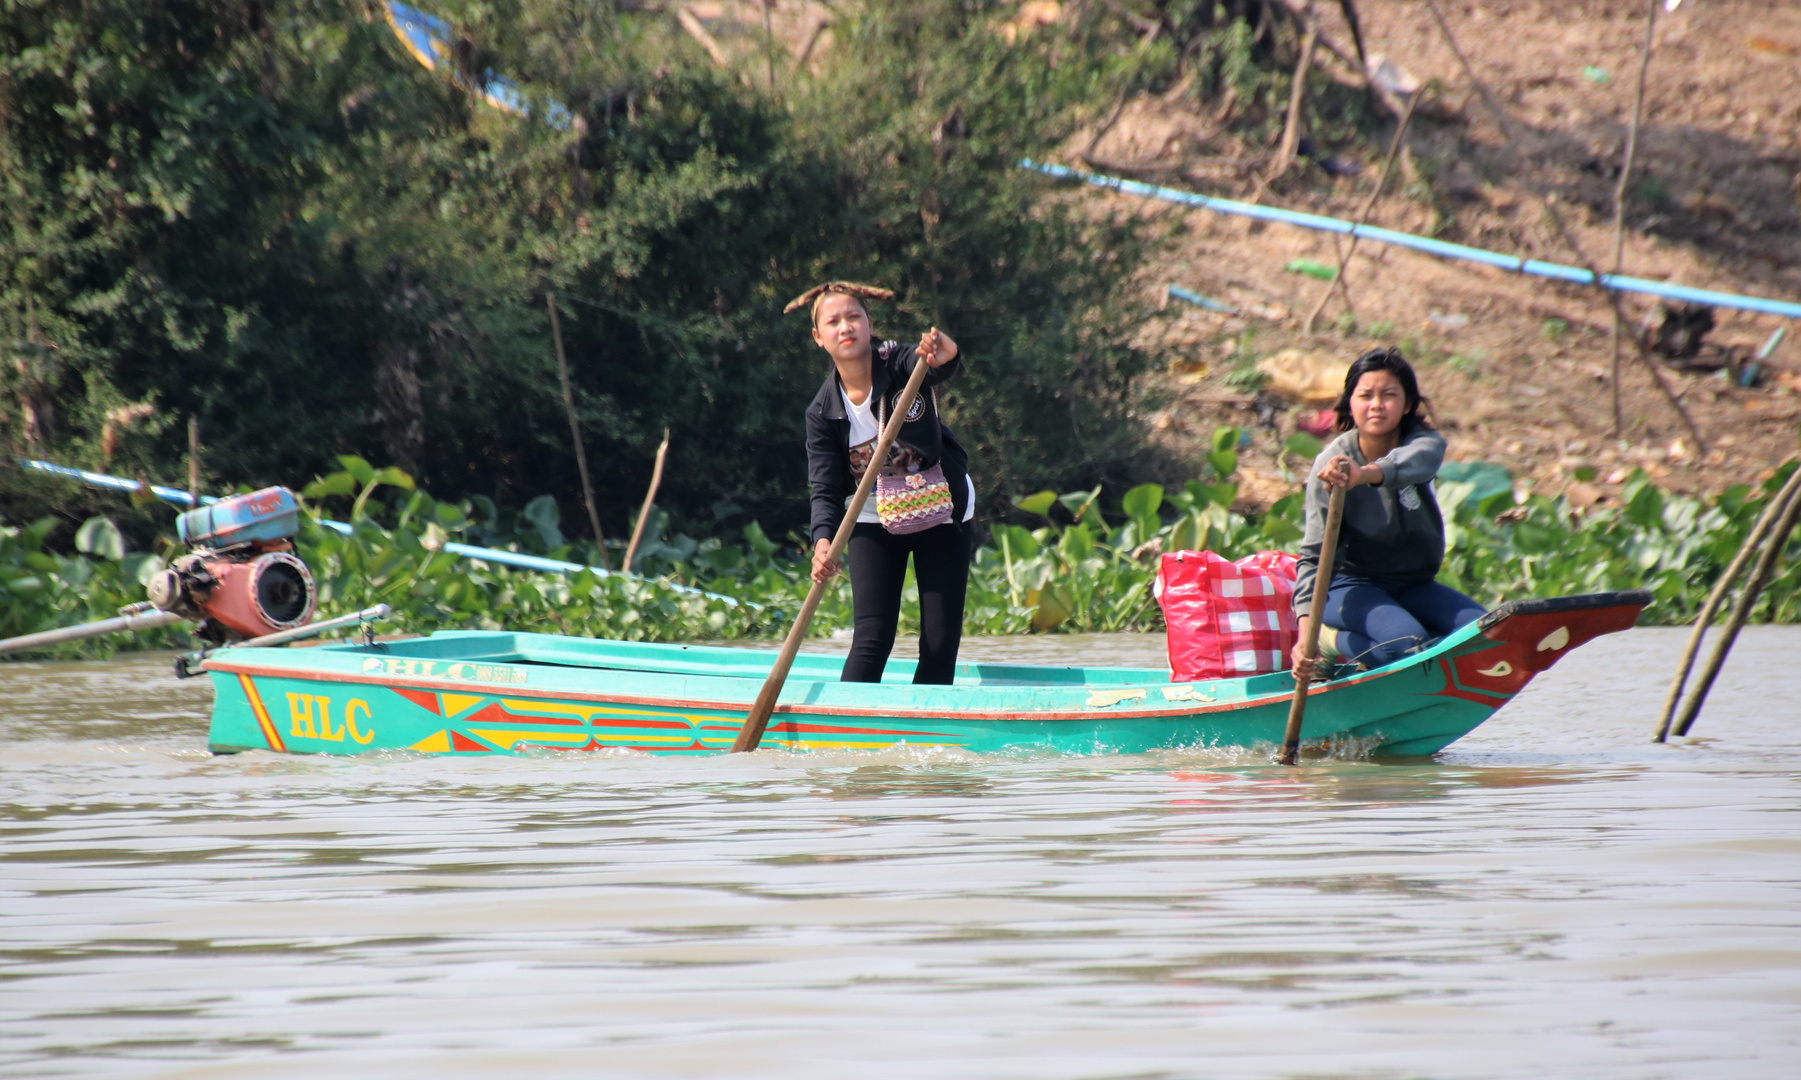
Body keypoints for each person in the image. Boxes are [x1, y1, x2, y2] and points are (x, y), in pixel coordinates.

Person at [790, 281, 975, 685]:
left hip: (939, 508)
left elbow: (935, 363)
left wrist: (944, 353)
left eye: (854, 317)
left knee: (939, 643)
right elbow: (825, 488)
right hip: (872, 517)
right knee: (872, 639)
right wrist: (823, 542)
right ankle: (846, 733)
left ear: (869, 324)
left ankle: (928, 737)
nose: (846, 327)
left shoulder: (898, 363)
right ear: (819, 338)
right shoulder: (822, 413)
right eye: (833, 321)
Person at [1291, 347, 1485, 680]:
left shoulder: (1422, 445)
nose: (1376, 404)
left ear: (1408, 404)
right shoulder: (1330, 465)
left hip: (1414, 585)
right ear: (1350, 403)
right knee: (1411, 648)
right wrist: (1305, 636)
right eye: (1365, 395)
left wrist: (1363, 475)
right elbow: (1313, 558)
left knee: (1486, 635)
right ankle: (1330, 639)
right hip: (1351, 587)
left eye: (1389, 395)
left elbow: (1419, 460)